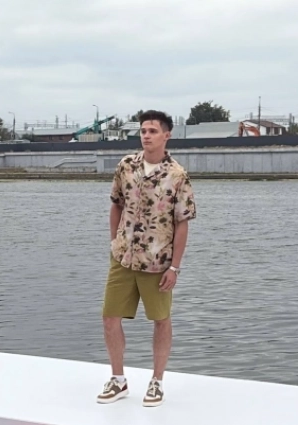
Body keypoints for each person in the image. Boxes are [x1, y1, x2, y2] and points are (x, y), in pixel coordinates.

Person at [96, 110, 196, 407]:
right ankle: (118, 380)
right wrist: (114, 241)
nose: (146, 135)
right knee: (110, 317)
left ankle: (157, 382)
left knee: (161, 320)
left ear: (167, 135)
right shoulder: (126, 166)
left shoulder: (177, 175)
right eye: (143, 131)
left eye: (153, 131)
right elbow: (116, 204)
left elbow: (182, 222)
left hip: (157, 262)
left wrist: (175, 267)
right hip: (123, 257)